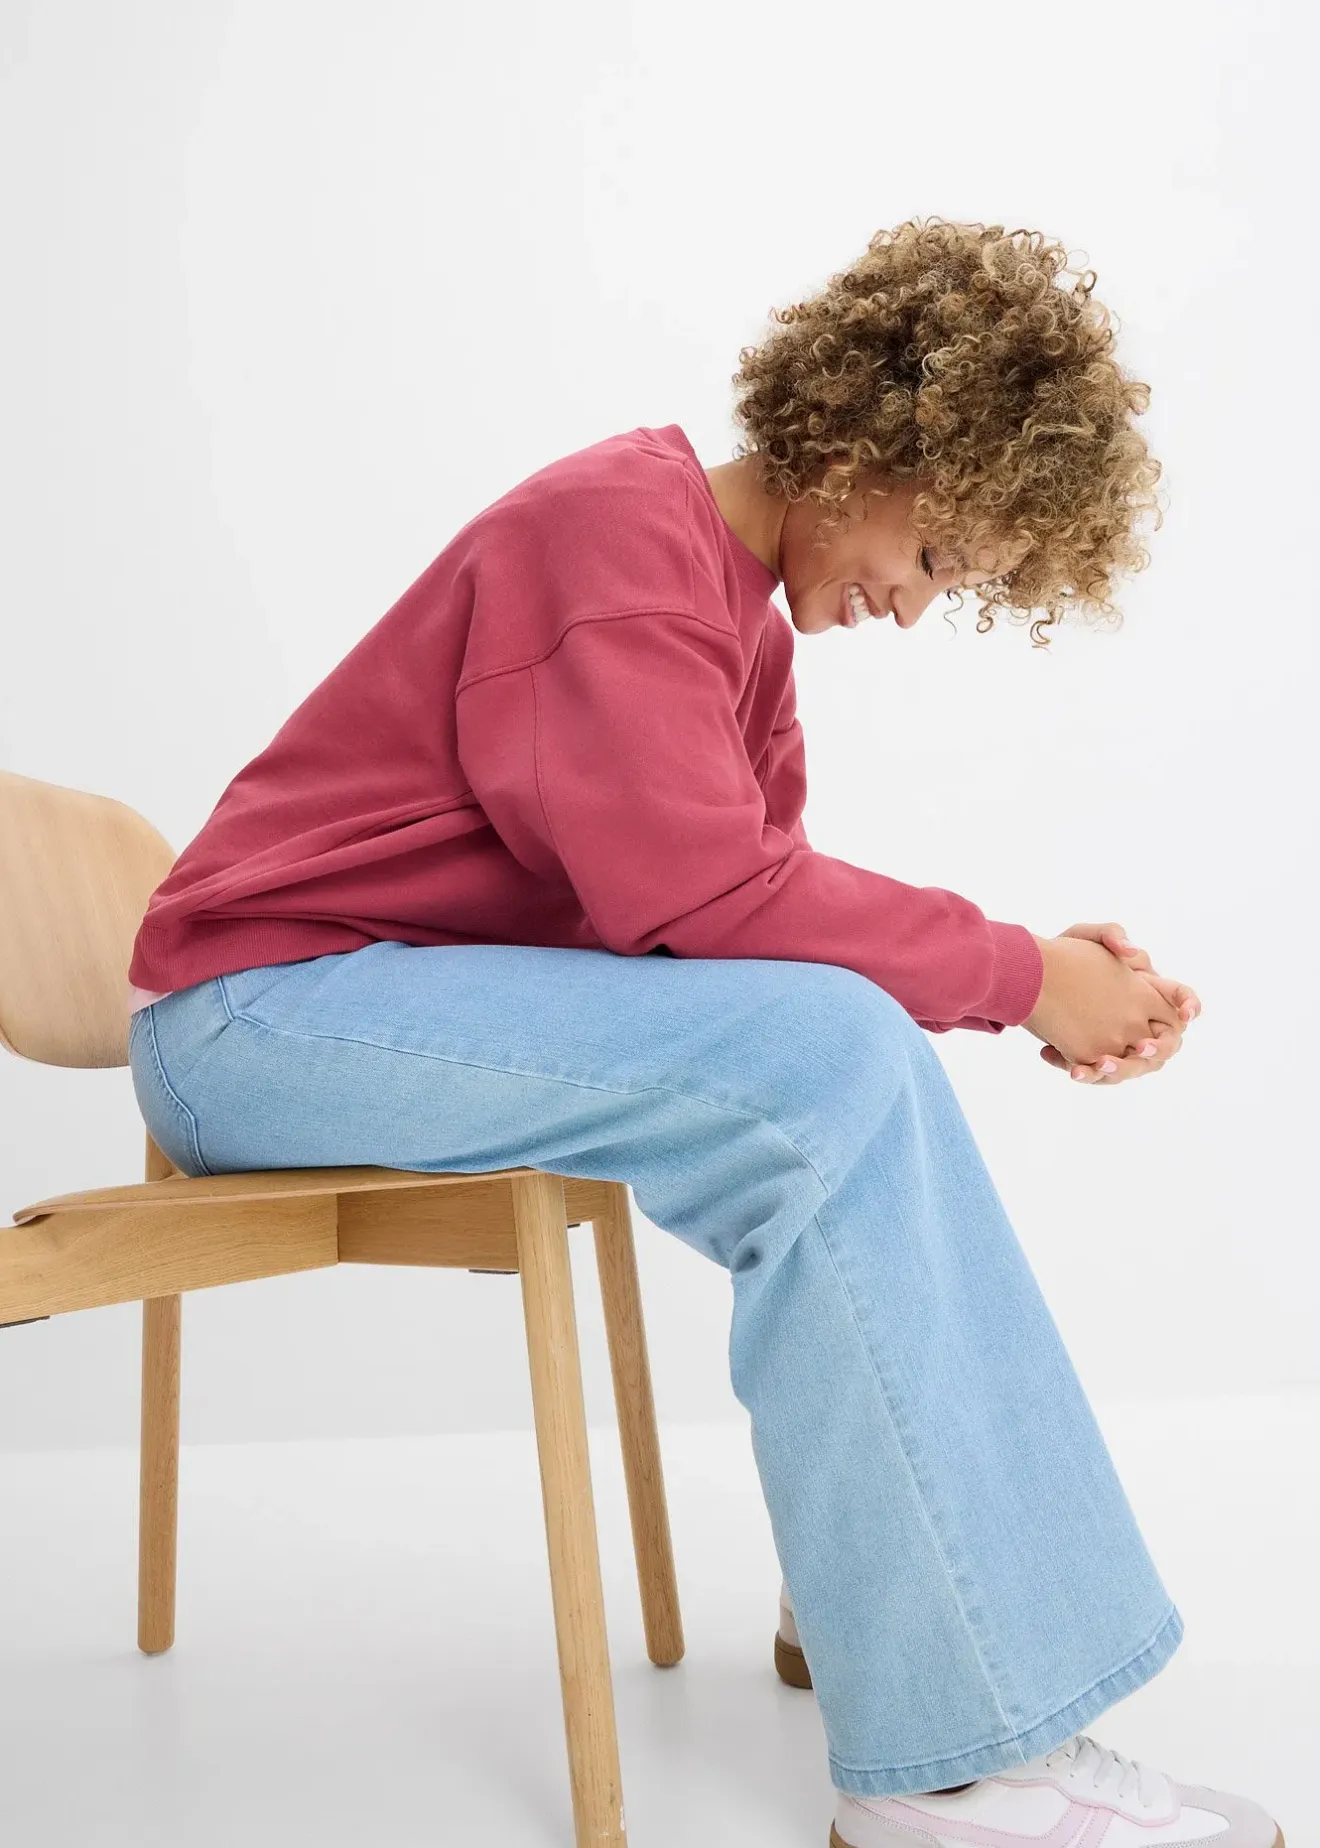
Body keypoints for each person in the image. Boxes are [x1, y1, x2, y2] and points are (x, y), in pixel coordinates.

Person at [124, 217, 1283, 1846]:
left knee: (830, 1050)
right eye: (940, 554)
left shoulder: (733, 622)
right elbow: (707, 900)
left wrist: (1033, 981)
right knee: (828, 1058)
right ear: (871, 441)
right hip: (258, 1015)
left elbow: (762, 946)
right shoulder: (616, 535)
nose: (917, 607)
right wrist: (1019, 971)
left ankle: (895, 1592)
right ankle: (951, 1767)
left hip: (354, 1007)